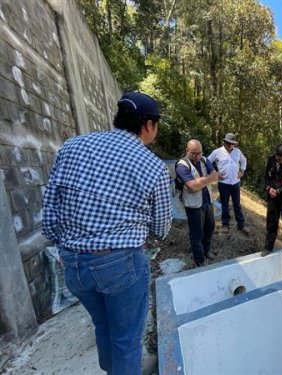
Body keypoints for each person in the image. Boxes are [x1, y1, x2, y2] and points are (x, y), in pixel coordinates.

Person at [42, 91, 173, 375]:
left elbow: (50, 206)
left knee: (104, 328)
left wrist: (63, 247)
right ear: (148, 125)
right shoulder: (153, 166)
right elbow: (161, 226)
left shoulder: (73, 146)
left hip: (74, 265)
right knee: (126, 341)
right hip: (120, 266)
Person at [176, 139, 220, 266]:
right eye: (194, 153)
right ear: (187, 151)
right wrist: (207, 179)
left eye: (199, 153)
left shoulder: (204, 160)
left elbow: (215, 175)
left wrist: (200, 181)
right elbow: (192, 187)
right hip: (193, 205)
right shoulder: (182, 166)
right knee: (196, 234)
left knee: (210, 228)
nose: (197, 156)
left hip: (207, 201)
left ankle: (207, 250)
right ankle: (199, 259)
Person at [207, 133, 249, 235]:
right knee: (224, 205)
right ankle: (225, 225)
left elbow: (244, 161)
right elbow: (207, 162)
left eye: (232, 143)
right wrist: (215, 173)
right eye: (228, 143)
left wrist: (242, 171)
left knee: (237, 205)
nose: (230, 145)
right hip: (223, 183)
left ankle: (241, 225)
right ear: (224, 142)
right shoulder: (217, 152)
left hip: (235, 183)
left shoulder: (237, 152)